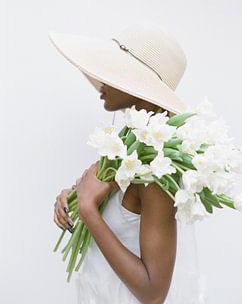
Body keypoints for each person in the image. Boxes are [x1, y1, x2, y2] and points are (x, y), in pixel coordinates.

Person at [50, 23, 207, 303]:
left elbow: (153, 292)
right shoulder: (129, 150)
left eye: (114, 73)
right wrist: (75, 200)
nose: (102, 82)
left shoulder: (155, 170)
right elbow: (118, 213)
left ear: (138, 87)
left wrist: (88, 210)